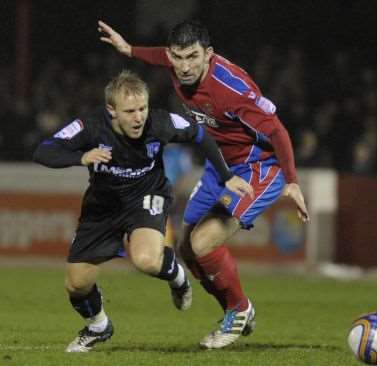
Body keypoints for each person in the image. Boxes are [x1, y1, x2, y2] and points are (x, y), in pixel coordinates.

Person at [98, 20, 310, 349]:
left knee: (202, 243)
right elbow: (159, 57)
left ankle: (238, 312)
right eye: (178, 58)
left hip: (257, 167)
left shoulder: (232, 88)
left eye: (192, 58)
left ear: (208, 55)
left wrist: (293, 182)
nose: (184, 67)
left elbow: (277, 131)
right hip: (220, 166)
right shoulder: (175, 62)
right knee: (186, 249)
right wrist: (129, 50)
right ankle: (238, 309)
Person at [33, 70, 254, 353]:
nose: (139, 117)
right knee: (77, 284)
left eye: (142, 108)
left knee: (147, 260)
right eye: (130, 111)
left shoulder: (159, 122)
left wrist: (225, 176)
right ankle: (98, 326)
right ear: (111, 110)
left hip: (147, 196)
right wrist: (80, 157)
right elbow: (44, 150)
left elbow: (201, 135)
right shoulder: (90, 126)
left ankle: (177, 276)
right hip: (102, 207)